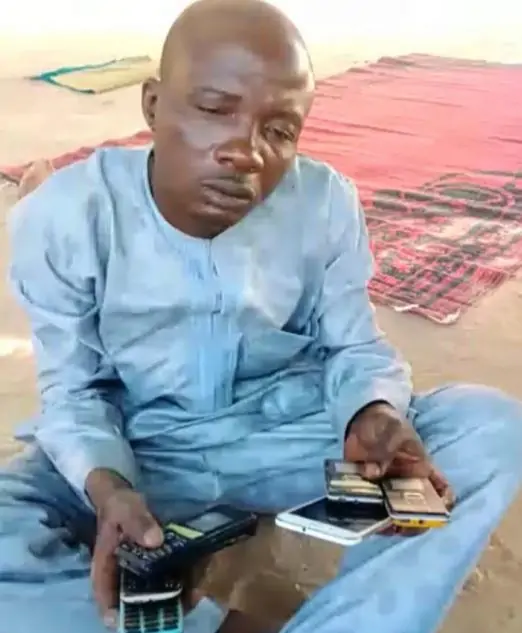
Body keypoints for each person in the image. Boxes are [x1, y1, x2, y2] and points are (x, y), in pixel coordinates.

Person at [3, 0, 522, 632]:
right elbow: (74, 393)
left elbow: (353, 346)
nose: (245, 152)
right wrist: (110, 487)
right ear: (153, 106)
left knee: (486, 426)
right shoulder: (65, 217)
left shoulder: (324, 202)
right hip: (143, 449)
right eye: (214, 109)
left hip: (288, 434)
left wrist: (372, 413)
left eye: (279, 131)